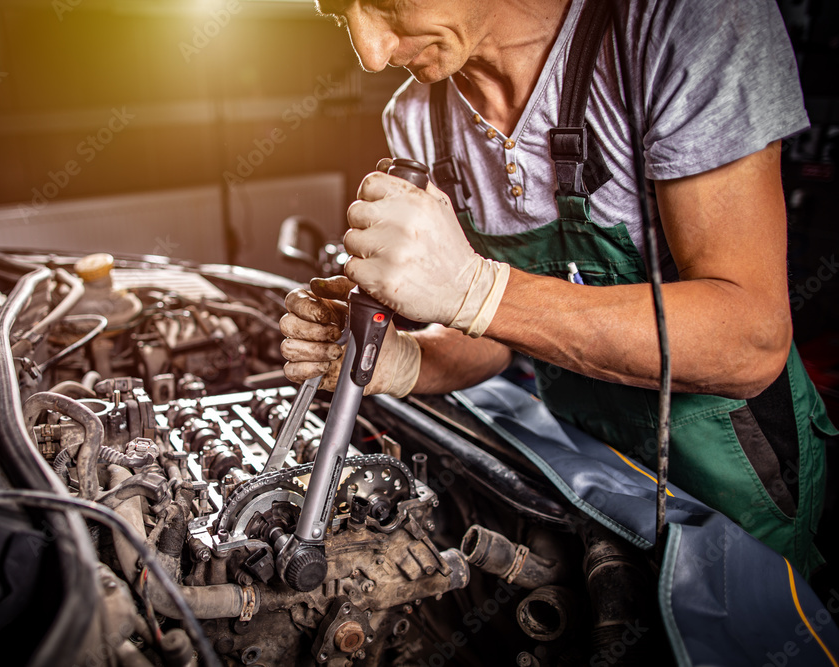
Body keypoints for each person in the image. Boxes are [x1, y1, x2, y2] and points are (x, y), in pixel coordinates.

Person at [279, 0, 838, 577]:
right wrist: (409, 359)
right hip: (589, 466)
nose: (371, 54)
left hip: (737, 469)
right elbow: (501, 336)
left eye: (384, 3)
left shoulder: (683, 23)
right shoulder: (419, 119)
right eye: (341, 19)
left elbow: (751, 340)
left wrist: (479, 289)